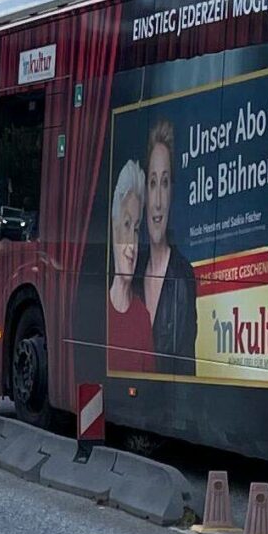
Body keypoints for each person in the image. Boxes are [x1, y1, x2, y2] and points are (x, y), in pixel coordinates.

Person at [142, 118, 197, 367]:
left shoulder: (183, 276)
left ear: (172, 191)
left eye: (165, 182)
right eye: (153, 183)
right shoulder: (130, 272)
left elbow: (187, 367)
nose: (158, 202)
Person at [104, 159, 158, 375]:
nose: (131, 247)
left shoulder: (142, 317)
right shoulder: (98, 310)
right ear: (113, 227)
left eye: (136, 230)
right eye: (126, 225)